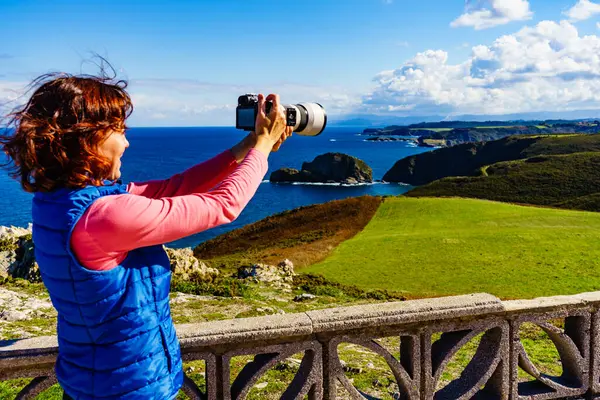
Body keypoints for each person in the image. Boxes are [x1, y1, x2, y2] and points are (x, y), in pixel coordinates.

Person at [0, 70, 292, 400]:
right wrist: (263, 147)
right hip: (127, 390)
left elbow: (174, 188)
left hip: (97, 382)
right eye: (118, 131)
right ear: (86, 137)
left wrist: (247, 145)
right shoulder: (102, 217)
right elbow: (224, 205)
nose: (126, 142)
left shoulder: (62, 202)